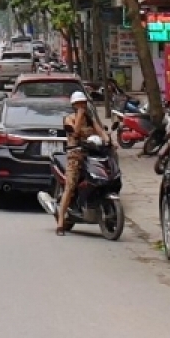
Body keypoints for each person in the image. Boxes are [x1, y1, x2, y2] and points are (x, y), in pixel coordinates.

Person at [57, 91, 110, 236]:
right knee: (70, 186)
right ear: (74, 105)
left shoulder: (89, 118)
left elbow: (100, 131)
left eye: (84, 103)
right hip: (75, 155)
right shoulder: (69, 118)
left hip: (91, 155)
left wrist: (107, 140)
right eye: (79, 104)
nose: (82, 106)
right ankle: (61, 222)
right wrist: (79, 115)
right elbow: (76, 131)